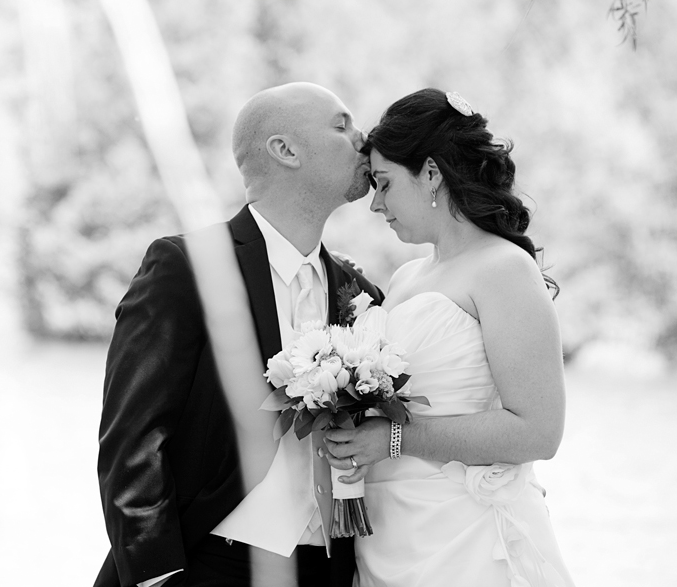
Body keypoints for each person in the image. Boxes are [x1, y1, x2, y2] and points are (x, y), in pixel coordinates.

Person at [96, 82, 382, 587]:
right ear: (285, 150)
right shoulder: (187, 267)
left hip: (330, 571)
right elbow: (133, 438)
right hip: (208, 564)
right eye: (342, 126)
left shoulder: (362, 296)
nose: (365, 140)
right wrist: (157, 576)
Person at [324, 88, 575, 586]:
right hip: (391, 534)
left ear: (432, 174)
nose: (375, 204)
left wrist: (392, 440)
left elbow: (538, 432)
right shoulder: (405, 278)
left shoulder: (504, 269)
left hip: (465, 537)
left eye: (385, 183)